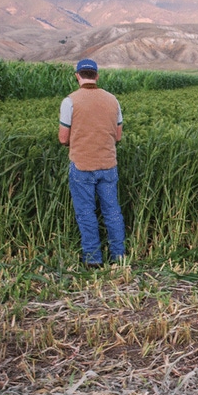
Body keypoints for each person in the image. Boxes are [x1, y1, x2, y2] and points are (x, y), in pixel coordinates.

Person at [58, 58, 126, 267]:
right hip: (108, 165)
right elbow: (118, 136)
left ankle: (93, 259)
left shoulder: (70, 101)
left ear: (78, 76)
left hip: (82, 166)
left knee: (86, 213)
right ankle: (119, 257)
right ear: (96, 75)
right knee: (112, 211)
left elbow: (63, 138)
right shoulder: (112, 100)